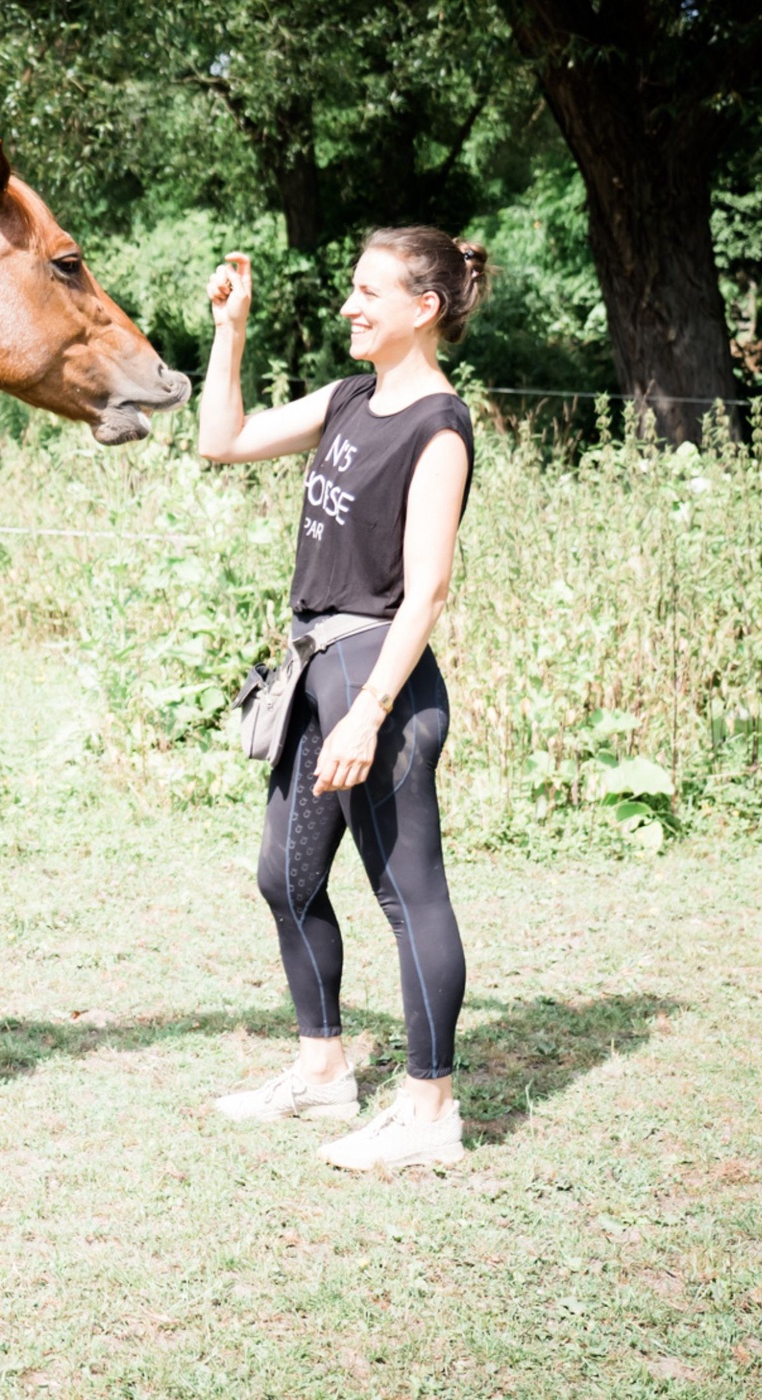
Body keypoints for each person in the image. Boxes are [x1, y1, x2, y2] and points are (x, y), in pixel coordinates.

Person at [198, 228, 490, 1171]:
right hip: (313, 670)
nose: (350, 307)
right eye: (351, 289)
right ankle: (323, 1072)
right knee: (284, 877)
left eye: (370, 293)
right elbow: (223, 440)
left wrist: (369, 712)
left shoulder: (437, 426)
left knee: (408, 894)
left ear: (425, 308)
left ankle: (430, 1114)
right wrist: (230, 332)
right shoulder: (351, 400)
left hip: (379, 682)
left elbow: (428, 590)